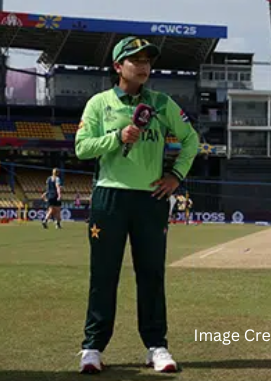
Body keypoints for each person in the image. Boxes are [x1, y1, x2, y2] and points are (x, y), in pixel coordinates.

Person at [74, 36, 200, 374]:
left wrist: (175, 175)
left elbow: (191, 140)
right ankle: (92, 348)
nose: (143, 66)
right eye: (135, 60)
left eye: (147, 60)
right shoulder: (99, 103)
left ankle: (156, 346)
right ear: (118, 66)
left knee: (151, 274)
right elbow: (82, 148)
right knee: (104, 275)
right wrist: (117, 137)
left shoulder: (161, 103)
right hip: (109, 198)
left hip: (151, 199)